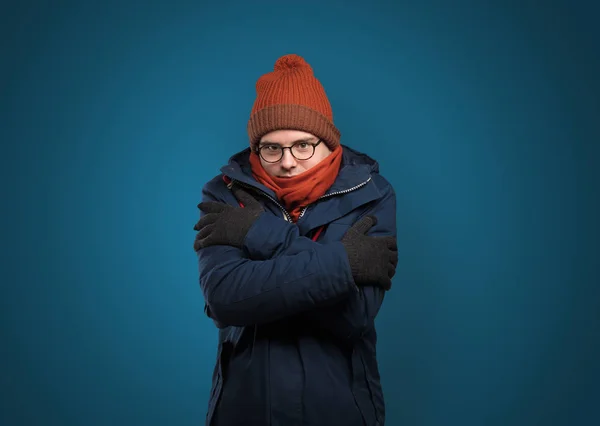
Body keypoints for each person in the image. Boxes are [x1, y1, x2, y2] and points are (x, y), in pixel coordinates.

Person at [192, 53, 399, 426]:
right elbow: (225, 297)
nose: (287, 162)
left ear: (328, 142)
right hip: (245, 412)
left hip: (341, 412)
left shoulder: (372, 193)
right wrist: (345, 262)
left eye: (303, 144)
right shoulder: (223, 194)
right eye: (271, 147)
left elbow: (353, 315)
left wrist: (259, 233)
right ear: (256, 147)